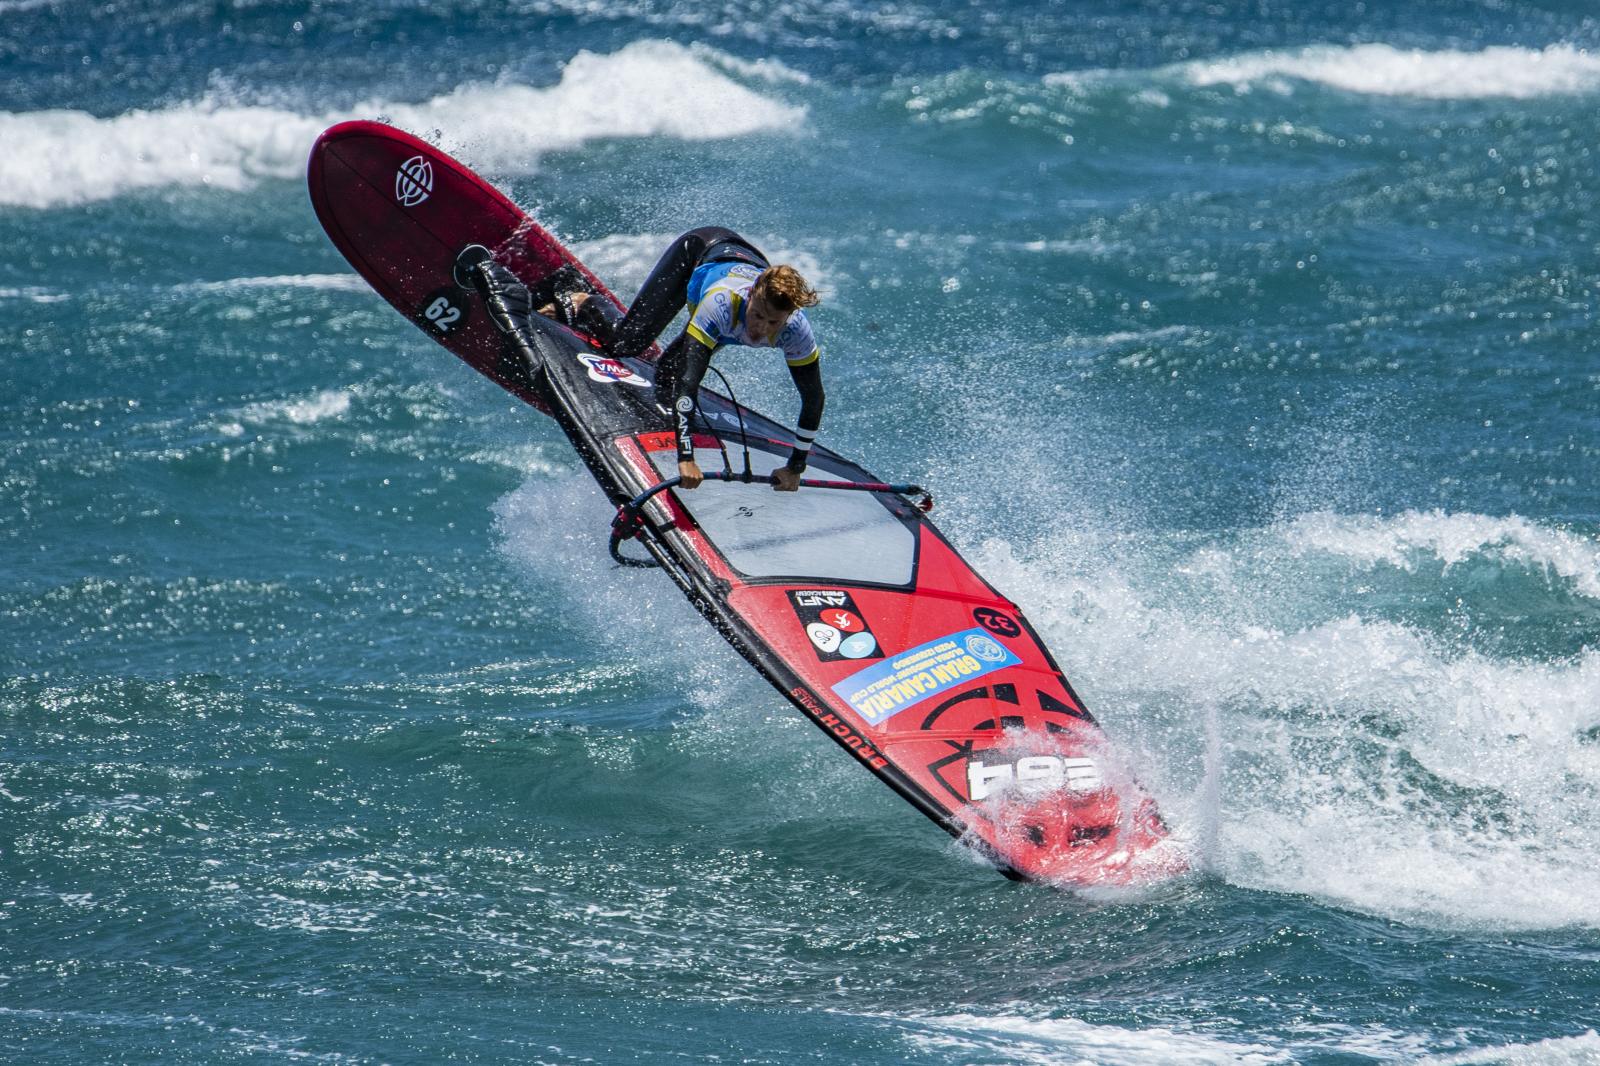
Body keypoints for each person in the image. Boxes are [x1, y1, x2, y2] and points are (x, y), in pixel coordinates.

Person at [600, 226, 825, 492]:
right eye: (757, 315)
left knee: (668, 373)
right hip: (699, 250)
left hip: (745, 259)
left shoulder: (795, 330)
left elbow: (813, 400)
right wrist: (686, 458)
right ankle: (580, 299)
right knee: (628, 345)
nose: (760, 328)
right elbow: (688, 383)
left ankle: (674, 365)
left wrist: (795, 467)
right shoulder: (720, 304)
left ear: (787, 317)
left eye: (773, 322)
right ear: (750, 295)